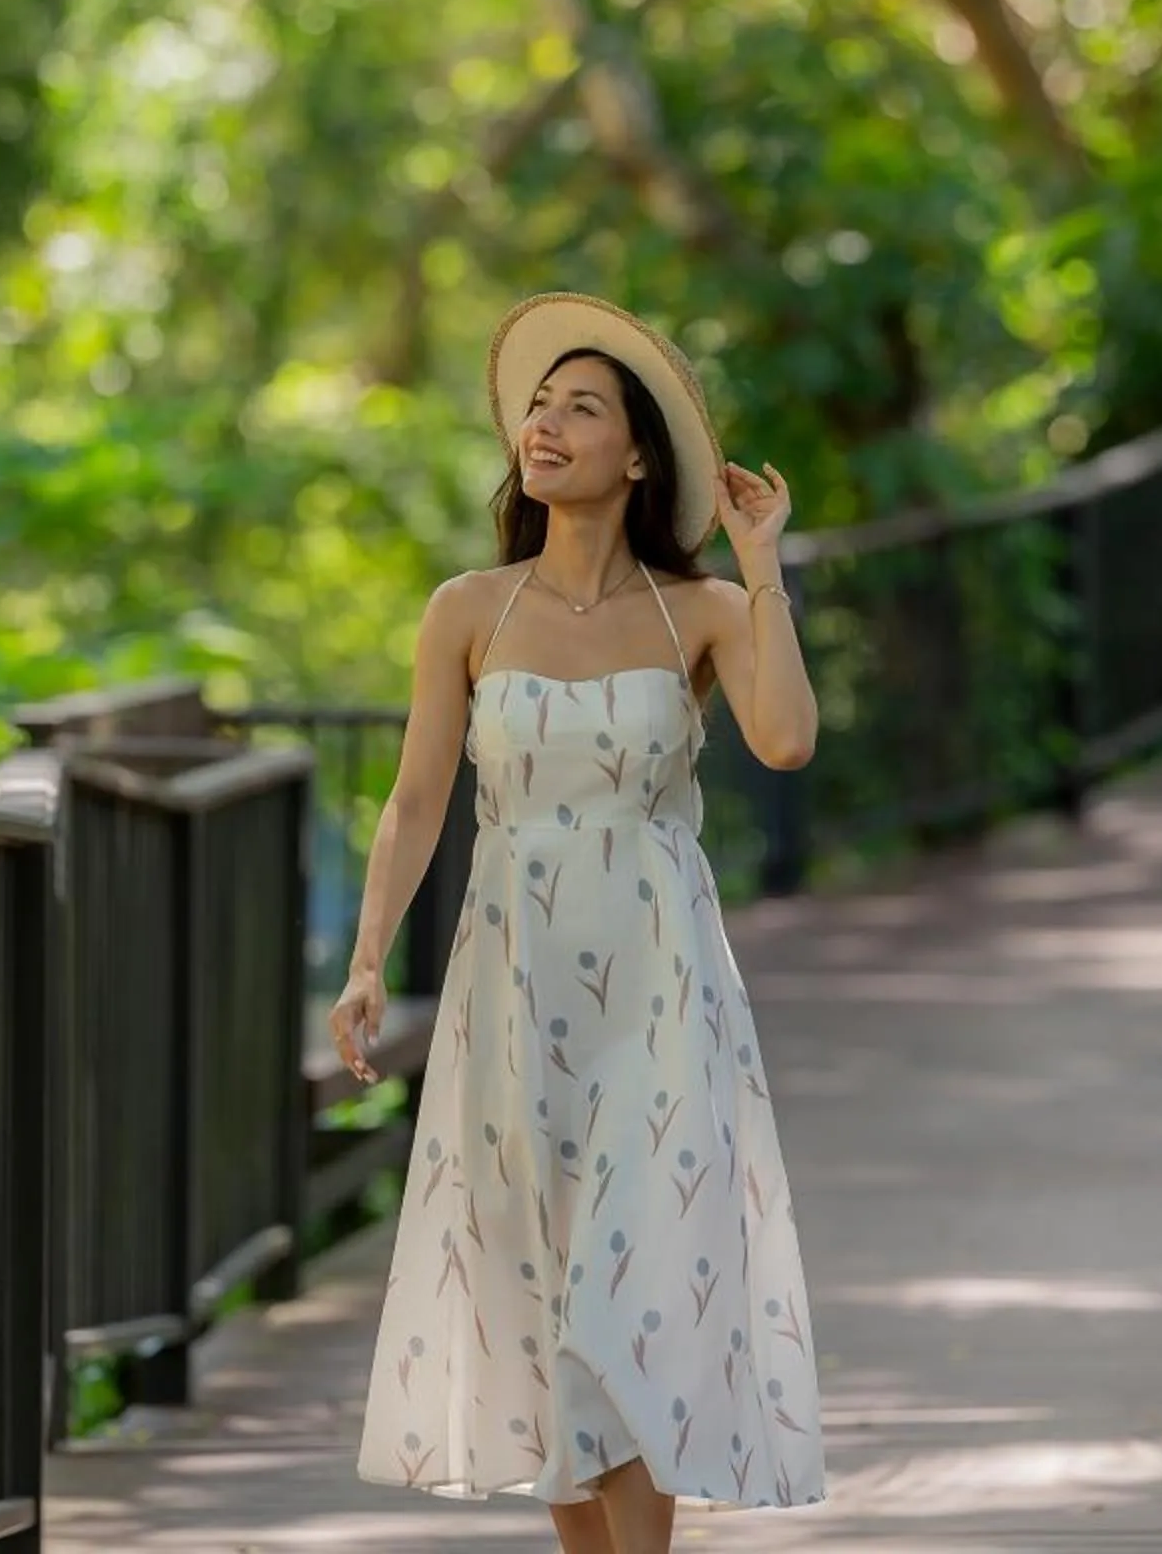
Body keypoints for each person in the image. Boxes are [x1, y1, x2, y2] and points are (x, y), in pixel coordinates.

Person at [331, 291, 830, 1552]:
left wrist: (761, 561)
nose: (546, 425)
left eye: (582, 407)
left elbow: (786, 737)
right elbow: (416, 800)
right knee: (549, 1302)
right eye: (539, 407)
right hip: (516, 987)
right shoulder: (468, 609)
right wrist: (365, 959)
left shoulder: (701, 610)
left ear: (639, 452)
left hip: (662, 994)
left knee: (634, 1286)